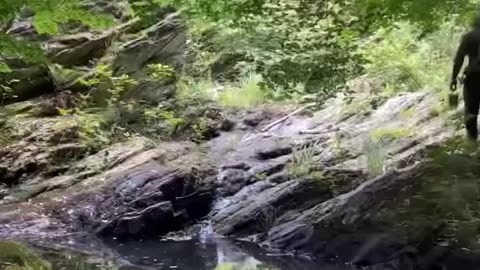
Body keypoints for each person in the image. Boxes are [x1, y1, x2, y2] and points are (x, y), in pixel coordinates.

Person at [451, 15, 480, 141]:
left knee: (471, 110)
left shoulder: (469, 37)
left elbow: (459, 59)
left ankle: (472, 141)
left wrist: (453, 78)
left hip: (473, 76)